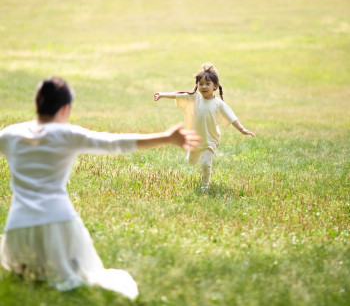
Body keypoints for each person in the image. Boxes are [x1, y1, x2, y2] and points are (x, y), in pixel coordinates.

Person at [0, 77, 200, 300]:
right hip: (59, 223)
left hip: (17, 227)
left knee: (30, 278)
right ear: (65, 108)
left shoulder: (10, 134)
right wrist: (166, 137)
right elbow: (115, 142)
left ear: (37, 102)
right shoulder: (66, 134)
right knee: (80, 274)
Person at [154, 62, 255, 193]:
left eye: (207, 84)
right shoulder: (194, 98)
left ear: (215, 86)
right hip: (196, 139)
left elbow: (231, 116)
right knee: (191, 162)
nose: (204, 86)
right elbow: (178, 94)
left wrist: (242, 129)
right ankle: (193, 156)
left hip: (211, 140)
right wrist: (162, 94)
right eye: (201, 84)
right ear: (197, 85)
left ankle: (205, 186)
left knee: (205, 164)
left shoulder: (219, 104)